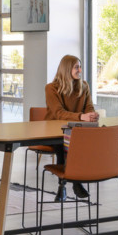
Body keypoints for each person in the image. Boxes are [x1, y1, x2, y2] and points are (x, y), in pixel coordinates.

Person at [45, 54, 99, 201]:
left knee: (75, 143)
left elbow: (89, 107)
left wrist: (91, 115)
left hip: (74, 132)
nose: (80, 70)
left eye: (80, 67)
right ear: (67, 68)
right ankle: (72, 183)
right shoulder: (51, 88)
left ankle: (65, 186)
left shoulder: (84, 86)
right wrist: (82, 117)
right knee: (64, 145)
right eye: (77, 67)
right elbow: (58, 113)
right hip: (52, 133)